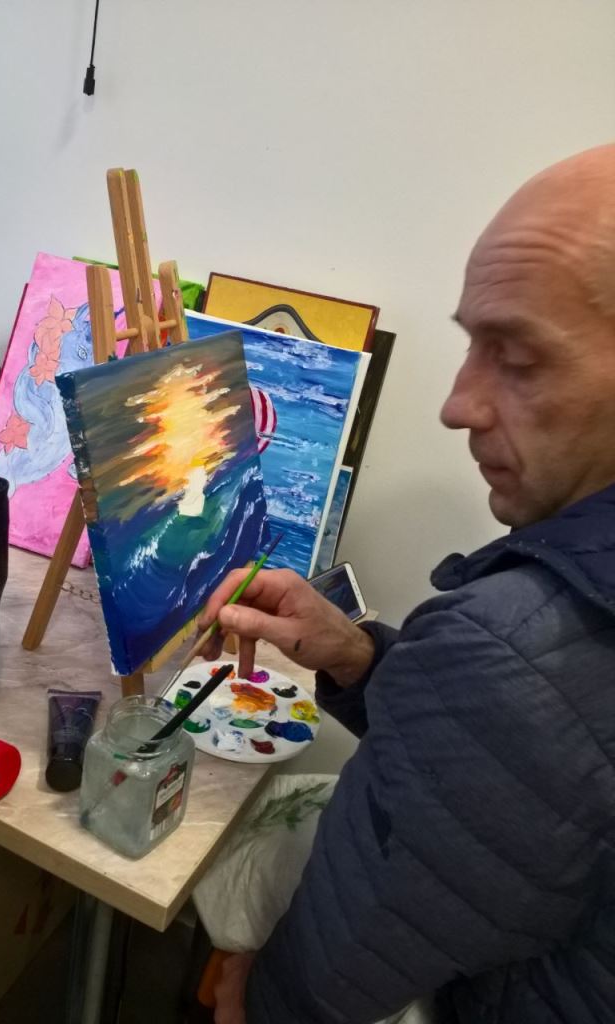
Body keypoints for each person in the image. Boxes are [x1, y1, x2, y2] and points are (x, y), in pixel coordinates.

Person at [197, 144, 615, 1024]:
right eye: (473, 346)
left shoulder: (514, 645)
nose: (457, 405)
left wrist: (254, 999)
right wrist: (359, 659)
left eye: (518, 357)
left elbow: (342, 964)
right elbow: (548, 781)